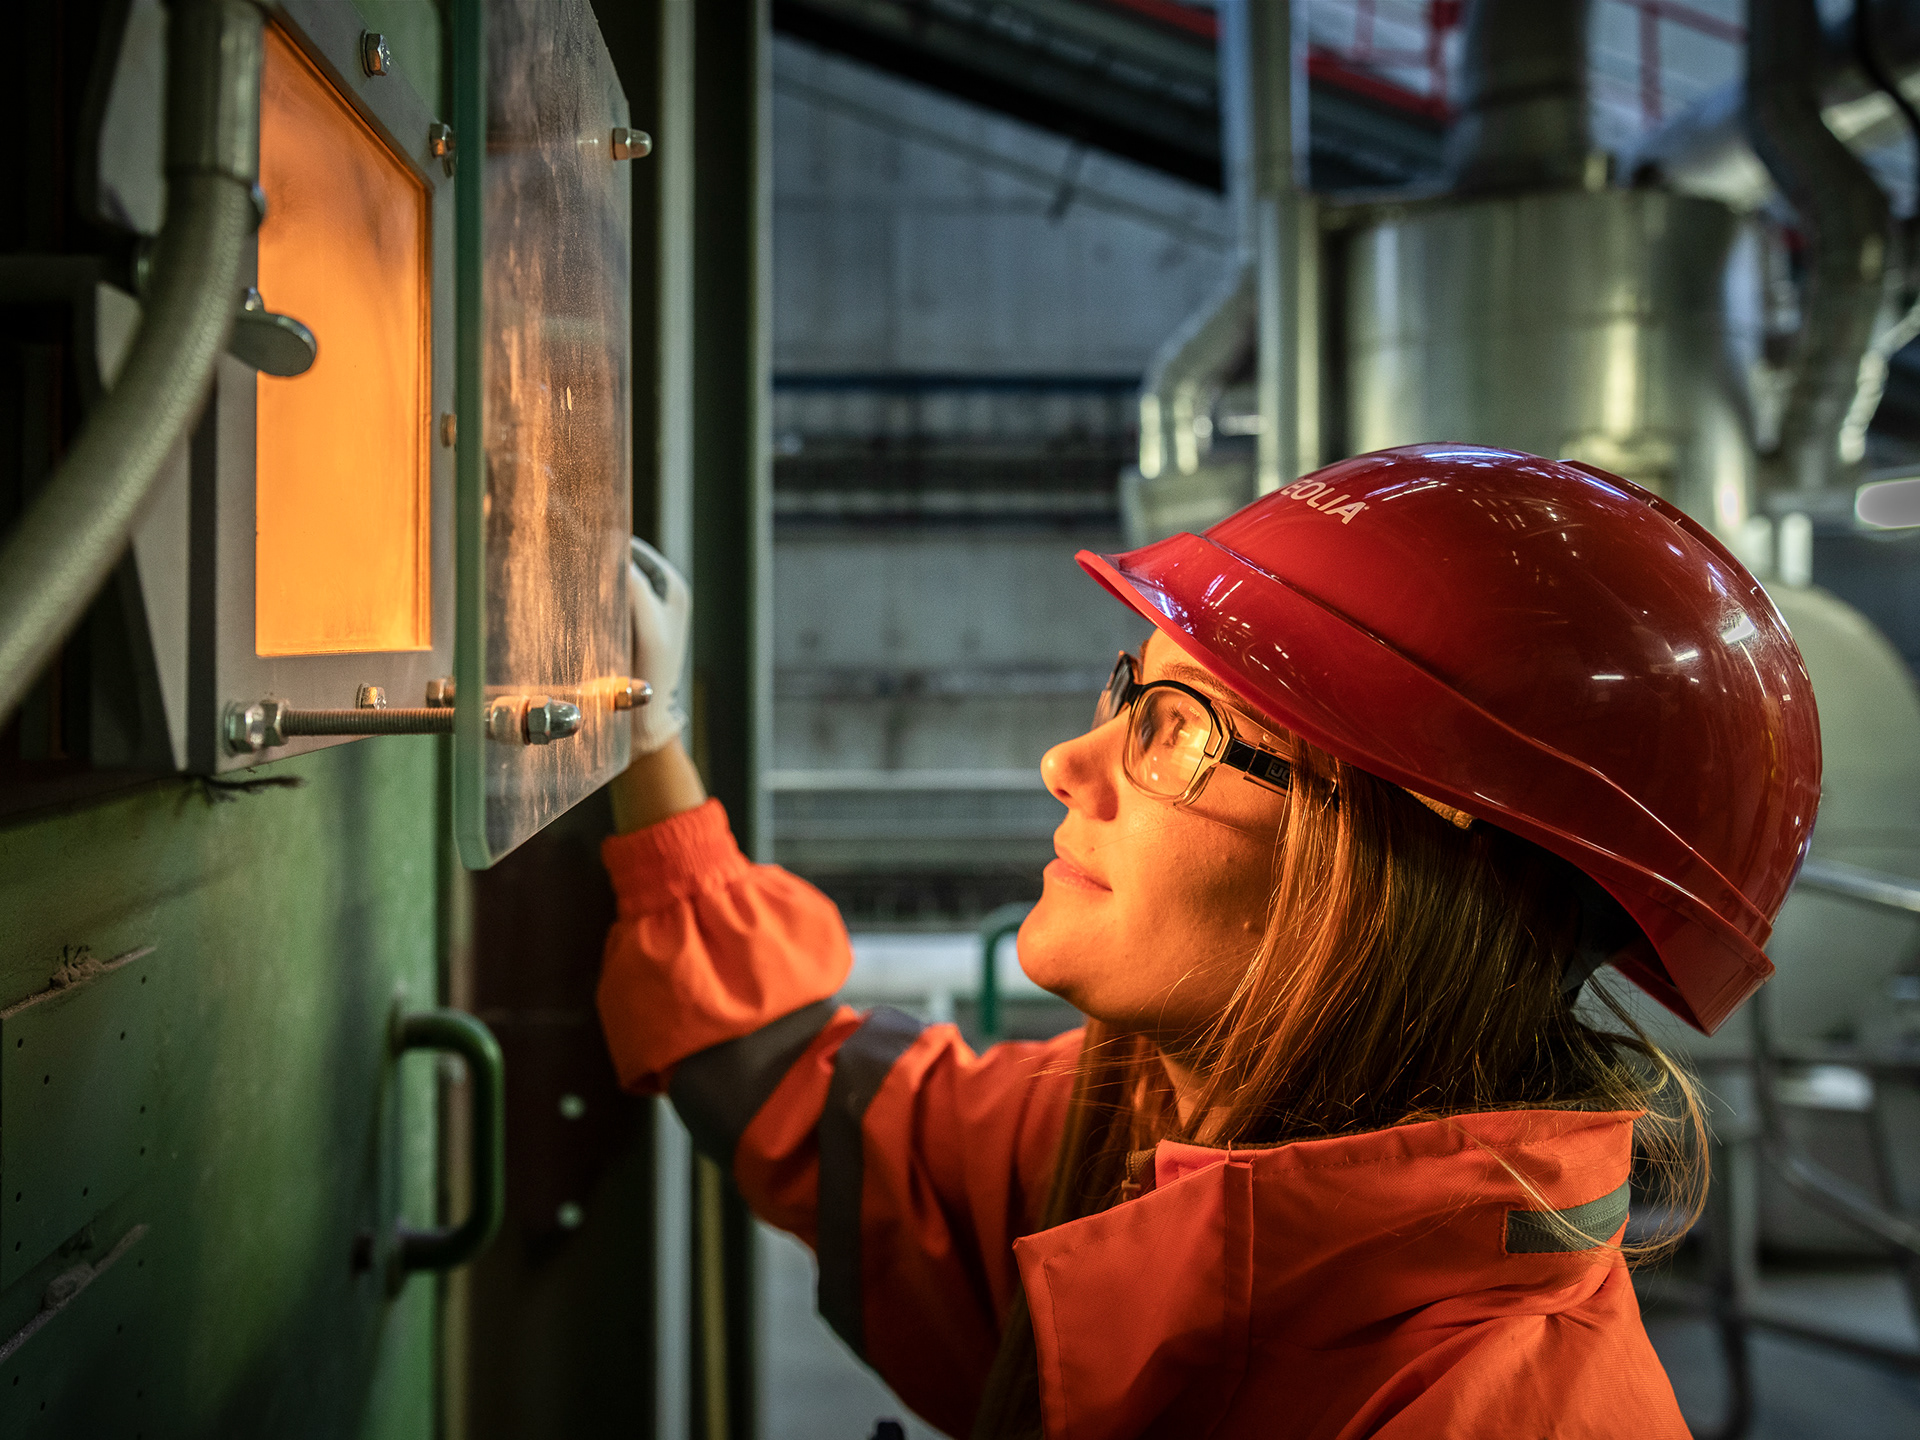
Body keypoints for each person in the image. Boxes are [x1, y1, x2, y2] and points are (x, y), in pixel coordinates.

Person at [598, 444, 1821, 1440]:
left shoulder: (1500, 1411)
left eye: (1180, 729)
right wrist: (649, 735)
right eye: (1129, 693)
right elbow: (803, 1096)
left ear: (1408, 879)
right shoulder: (1140, 1140)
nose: (1066, 764)